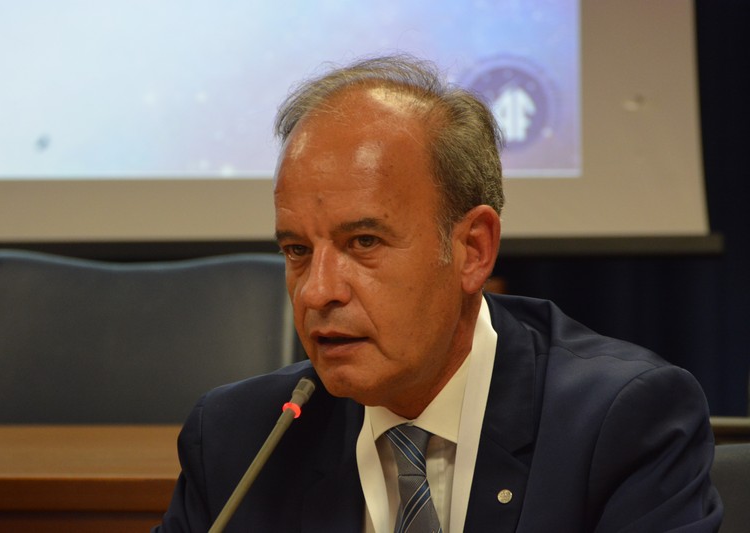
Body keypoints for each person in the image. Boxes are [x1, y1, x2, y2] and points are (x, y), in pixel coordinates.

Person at [154, 55, 722, 532]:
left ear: (473, 249)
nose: (317, 291)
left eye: (364, 242)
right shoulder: (241, 440)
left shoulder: (620, 425)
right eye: (297, 250)